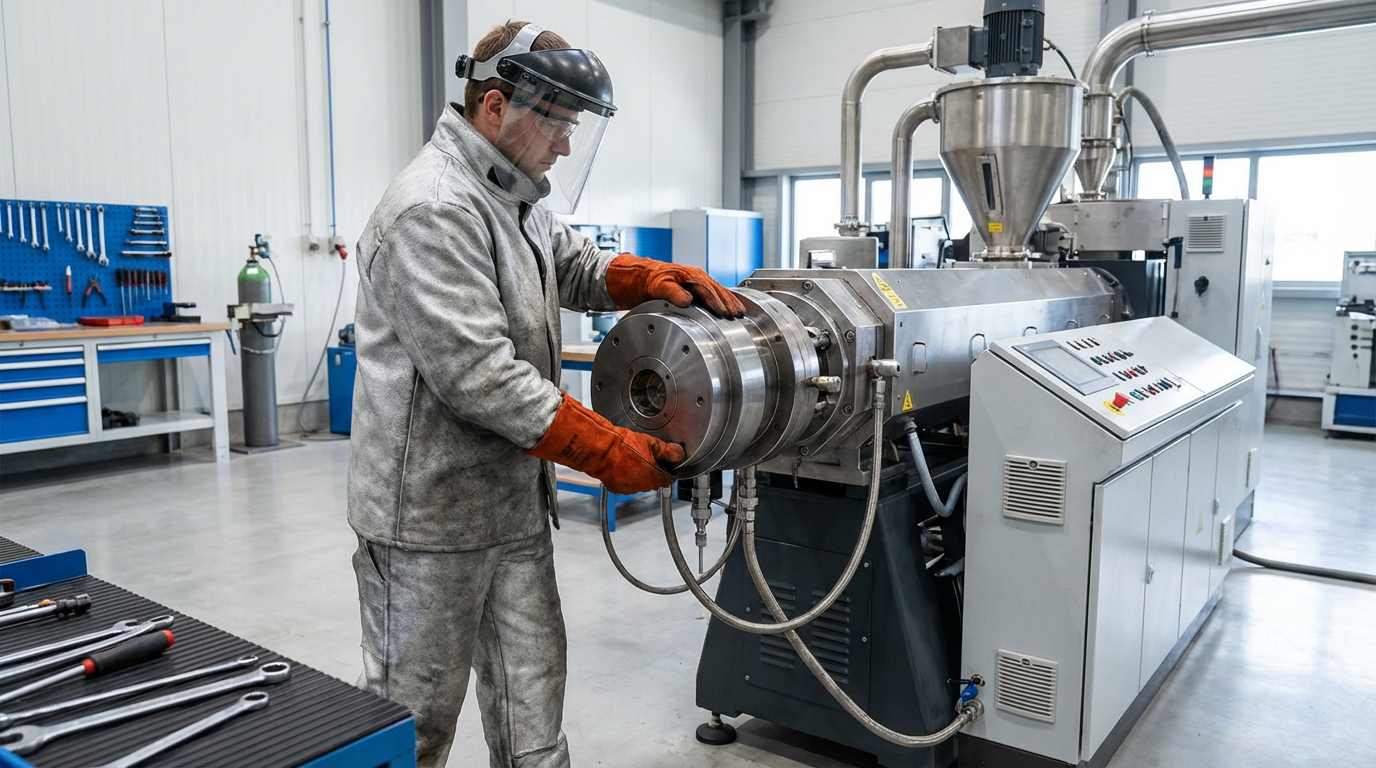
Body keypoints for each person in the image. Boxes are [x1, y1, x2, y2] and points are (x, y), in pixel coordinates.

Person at [346, 20, 746, 768]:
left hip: (512, 506)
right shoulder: (434, 209)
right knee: (414, 723)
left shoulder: (514, 198)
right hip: (429, 522)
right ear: (496, 106)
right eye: (558, 124)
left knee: (532, 712)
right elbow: (482, 378)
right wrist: (607, 449)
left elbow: (576, 265)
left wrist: (646, 277)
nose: (564, 146)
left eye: (573, 128)